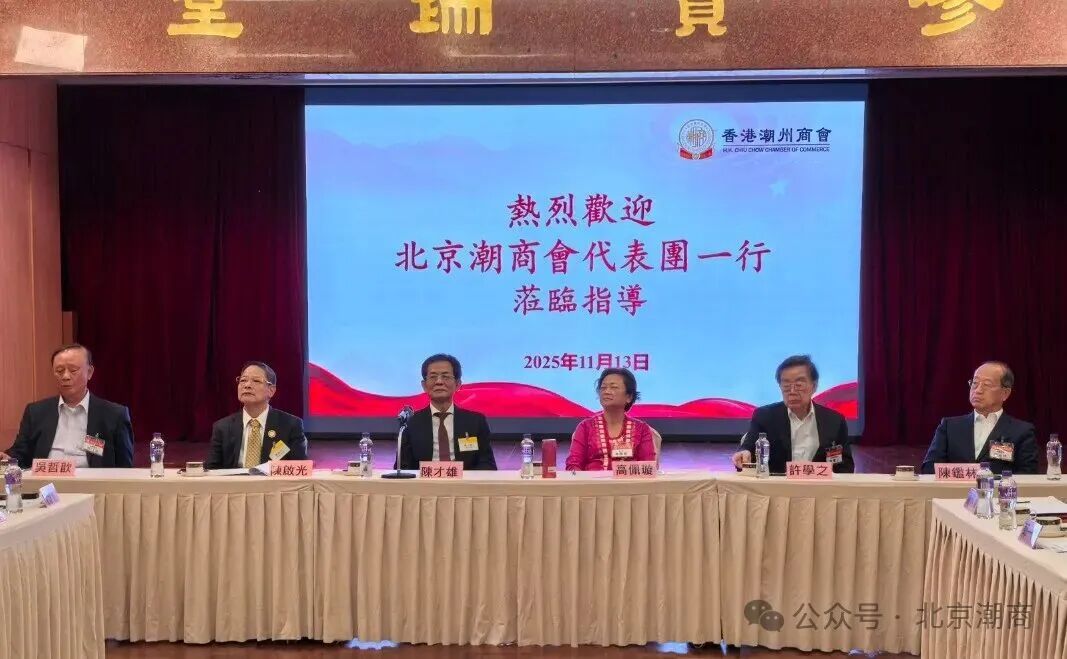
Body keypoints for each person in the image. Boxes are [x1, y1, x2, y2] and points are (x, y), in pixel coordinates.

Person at [4, 344, 134, 468]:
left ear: (89, 372)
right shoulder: (36, 412)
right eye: (59, 371)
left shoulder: (114, 415)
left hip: (91, 482)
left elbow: (125, 468)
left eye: (73, 370)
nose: (65, 376)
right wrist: (7, 458)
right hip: (45, 482)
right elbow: (19, 453)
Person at [732, 355, 854, 474]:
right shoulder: (765, 416)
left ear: (814, 386)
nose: (792, 391)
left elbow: (844, 466)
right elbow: (748, 447)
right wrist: (744, 454)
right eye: (786, 386)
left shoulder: (834, 421)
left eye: (799, 385)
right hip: (778, 486)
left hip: (819, 486)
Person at [921, 361, 1037, 475]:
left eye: (987, 384)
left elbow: (1028, 475)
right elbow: (929, 468)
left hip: (999, 488)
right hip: (955, 488)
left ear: (1005, 393)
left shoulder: (1022, 431)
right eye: (975, 383)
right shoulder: (949, 427)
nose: (978, 390)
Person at [396, 354, 497, 470]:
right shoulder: (411, 423)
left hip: (464, 480)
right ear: (424, 385)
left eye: (445, 376)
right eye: (433, 377)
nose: (439, 382)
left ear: (457, 384)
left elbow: (487, 464)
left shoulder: (475, 422)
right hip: (425, 481)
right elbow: (402, 467)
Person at [206, 361, 309, 469]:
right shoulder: (222, 427)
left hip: (272, 480)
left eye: (256, 381)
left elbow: (300, 469)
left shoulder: (290, 425)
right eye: (243, 380)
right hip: (234, 480)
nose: (247, 385)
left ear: (271, 390)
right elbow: (211, 470)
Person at [566, 368, 657, 471]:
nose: (606, 392)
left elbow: (648, 467)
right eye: (603, 388)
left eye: (614, 387)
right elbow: (573, 465)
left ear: (629, 397)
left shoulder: (642, 429)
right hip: (591, 481)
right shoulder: (585, 427)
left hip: (630, 481)